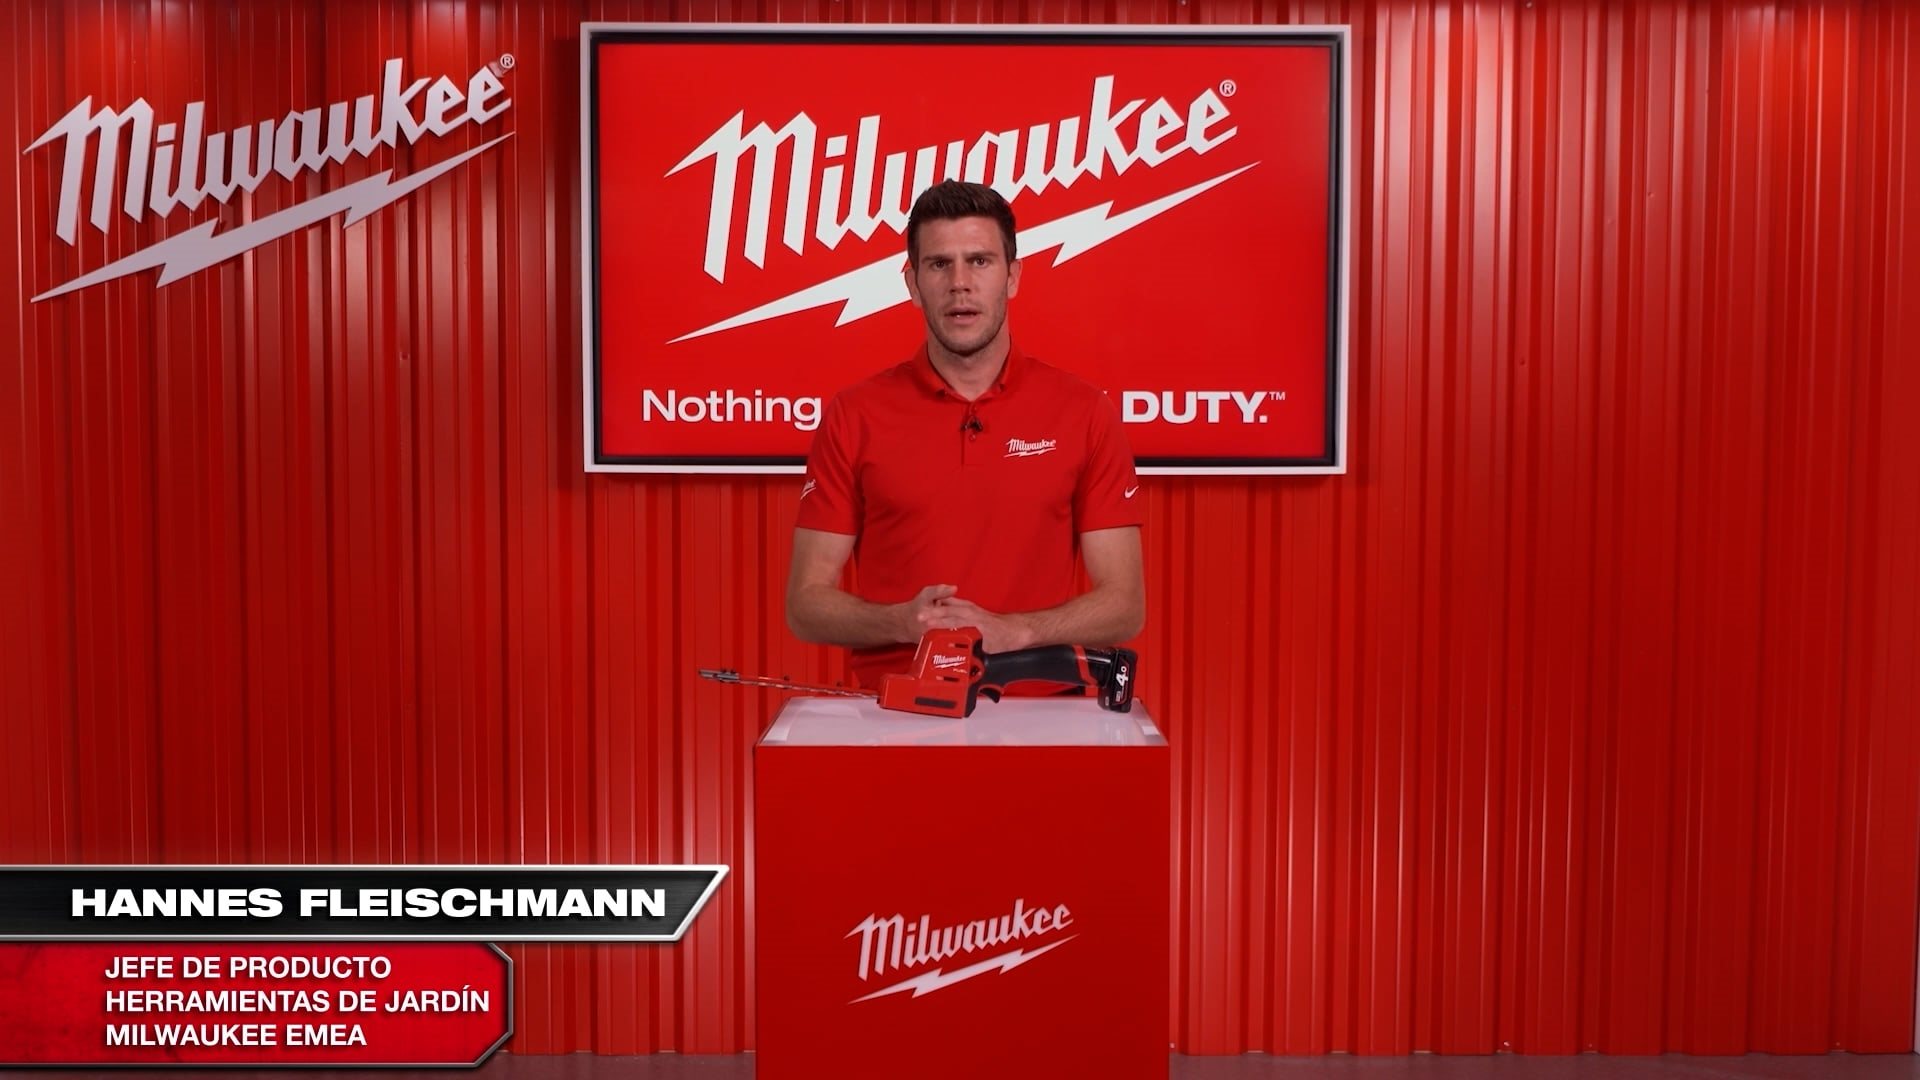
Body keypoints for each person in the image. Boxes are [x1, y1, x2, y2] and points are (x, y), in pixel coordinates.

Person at [785, 180, 1145, 689]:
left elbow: (1125, 604)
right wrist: (903, 622)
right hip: (894, 710)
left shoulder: (1084, 412)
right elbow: (805, 604)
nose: (960, 283)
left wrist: (1015, 632)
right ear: (912, 284)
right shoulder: (853, 414)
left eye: (979, 261)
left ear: (1012, 276)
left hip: (1043, 713)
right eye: (939, 264)